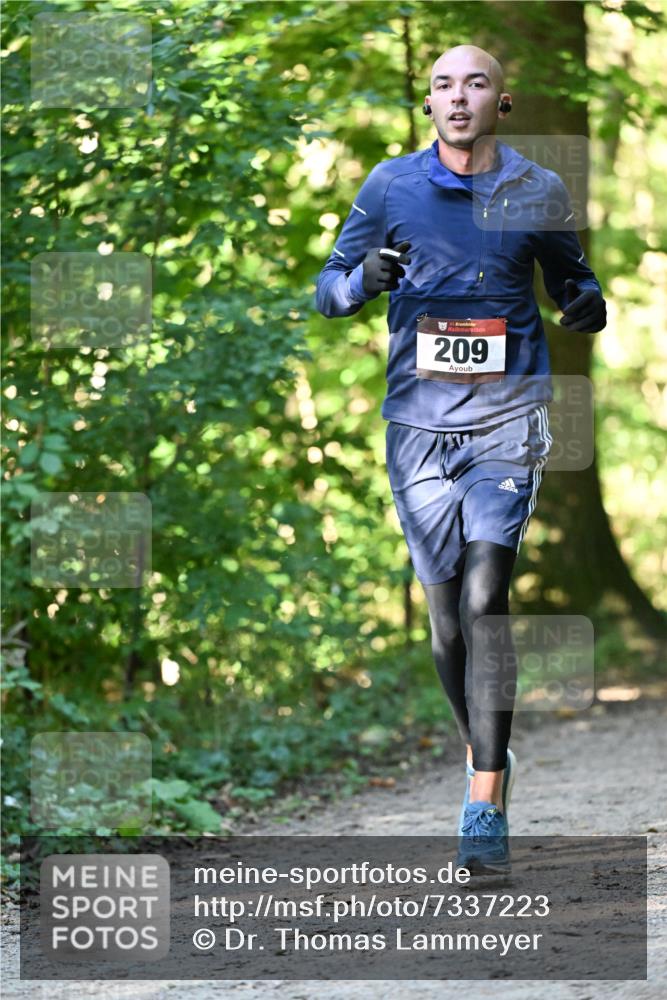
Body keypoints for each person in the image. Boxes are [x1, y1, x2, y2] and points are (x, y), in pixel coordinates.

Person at [315, 44, 606, 873]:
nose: (457, 96)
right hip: (417, 424)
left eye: (474, 83)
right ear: (429, 104)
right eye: (442, 84)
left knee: (486, 599)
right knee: (446, 622)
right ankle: (490, 746)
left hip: (507, 417)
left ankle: (483, 800)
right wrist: (362, 277)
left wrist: (587, 307)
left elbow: (575, 287)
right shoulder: (390, 188)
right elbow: (328, 289)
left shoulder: (536, 190)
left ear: (498, 103)